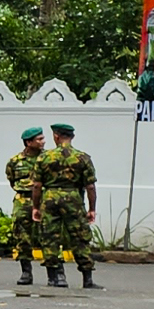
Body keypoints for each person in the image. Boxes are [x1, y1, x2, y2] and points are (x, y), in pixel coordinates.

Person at [43, 120, 100, 289]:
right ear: (72, 137)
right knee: (80, 237)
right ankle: (87, 278)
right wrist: (92, 209)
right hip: (74, 198)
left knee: (50, 237)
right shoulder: (83, 158)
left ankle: (55, 277)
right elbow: (90, 186)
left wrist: (37, 208)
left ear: (56, 136)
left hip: (50, 197)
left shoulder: (45, 157)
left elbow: (37, 185)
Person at [5, 126, 51, 286]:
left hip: (45, 200)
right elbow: (12, 180)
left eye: (43, 138)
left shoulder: (49, 158)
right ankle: (26, 272)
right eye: (39, 139)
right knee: (22, 236)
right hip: (23, 200)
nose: (43, 142)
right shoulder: (15, 161)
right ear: (28, 142)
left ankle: (54, 275)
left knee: (48, 235)